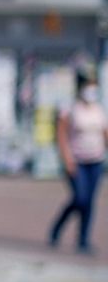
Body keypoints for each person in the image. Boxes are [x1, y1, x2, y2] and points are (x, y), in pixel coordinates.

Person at [52, 72, 106, 254]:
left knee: (89, 201)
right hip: (77, 160)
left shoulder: (98, 109)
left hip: (95, 160)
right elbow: (60, 135)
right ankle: (58, 226)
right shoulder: (69, 108)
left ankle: (83, 240)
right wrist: (67, 159)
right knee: (80, 198)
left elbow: (105, 133)